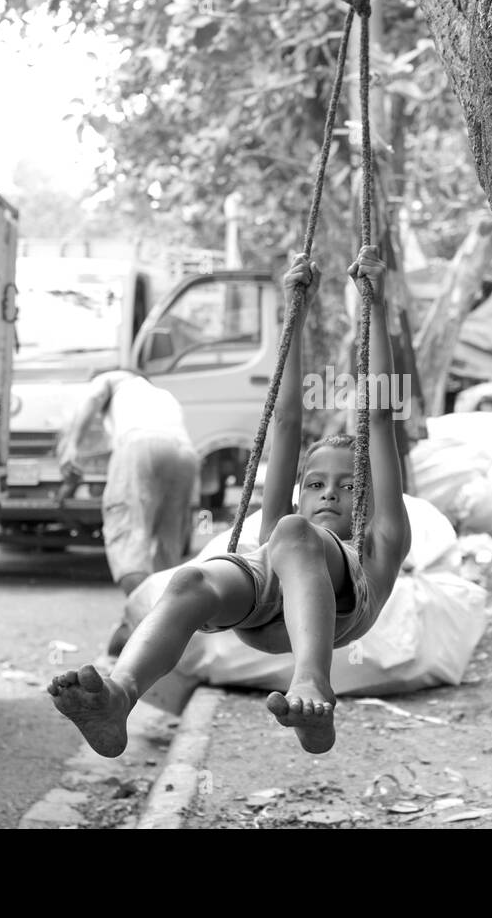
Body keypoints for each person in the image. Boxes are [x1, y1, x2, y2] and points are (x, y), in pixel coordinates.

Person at [48, 247, 413, 755]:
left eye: (350, 486)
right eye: (314, 484)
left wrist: (374, 303)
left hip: (340, 612)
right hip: (261, 612)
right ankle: (119, 696)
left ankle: (313, 687)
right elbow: (284, 421)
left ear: (370, 498)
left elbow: (378, 418)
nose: (330, 491)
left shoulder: (379, 543)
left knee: (290, 534)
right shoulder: (281, 530)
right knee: (191, 579)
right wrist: (295, 312)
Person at [58, 369, 198, 605]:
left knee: (128, 536)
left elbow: (92, 400)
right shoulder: (161, 395)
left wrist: (72, 444)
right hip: (185, 455)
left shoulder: (112, 377)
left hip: (140, 445)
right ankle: (170, 619)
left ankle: (144, 618)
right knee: (167, 547)